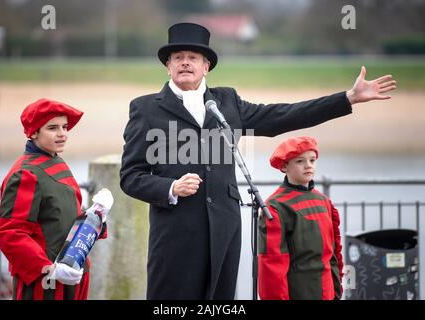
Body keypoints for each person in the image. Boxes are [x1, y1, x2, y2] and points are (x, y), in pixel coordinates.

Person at [119, 22, 396, 300]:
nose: (185, 63)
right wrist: (170, 187)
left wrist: (347, 98)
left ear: (206, 66)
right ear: (168, 66)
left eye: (193, 57)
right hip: (175, 234)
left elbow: (283, 115)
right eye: (178, 58)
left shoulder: (226, 101)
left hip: (225, 229)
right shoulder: (145, 109)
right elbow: (131, 176)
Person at [0, 98, 106, 300]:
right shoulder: (25, 174)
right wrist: (47, 268)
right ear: (34, 132)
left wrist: (97, 217)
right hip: (45, 281)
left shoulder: (55, 160)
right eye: (53, 128)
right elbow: (10, 233)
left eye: (64, 127)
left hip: (73, 272)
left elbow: (65, 214)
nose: (62, 133)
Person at [257, 136, 343, 300]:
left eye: (312, 160)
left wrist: (337, 291)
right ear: (284, 166)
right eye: (300, 161)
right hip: (298, 293)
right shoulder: (275, 207)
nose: (308, 165)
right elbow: (271, 265)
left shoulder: (324, 202)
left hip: (328, 293)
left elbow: (333, 254)